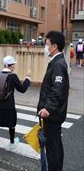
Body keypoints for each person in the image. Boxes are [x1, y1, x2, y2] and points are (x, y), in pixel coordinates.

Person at [0, 56, 32, 160]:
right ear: (11, 66)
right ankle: (12, 143)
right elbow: (22, 89)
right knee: (11, 124)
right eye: (14, 64)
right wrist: (28, 78)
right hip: (8, 105)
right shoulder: (13, 76)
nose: (14, 66)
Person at [37, 31, 70, 171]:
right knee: (55, 144)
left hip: (52, 115)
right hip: (55, 114)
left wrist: (48, 109)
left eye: (47, 44)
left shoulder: (58, 64)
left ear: (54, 46)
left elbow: (57, 90)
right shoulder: (57, 62)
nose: (45, 46)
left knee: (53, 147)